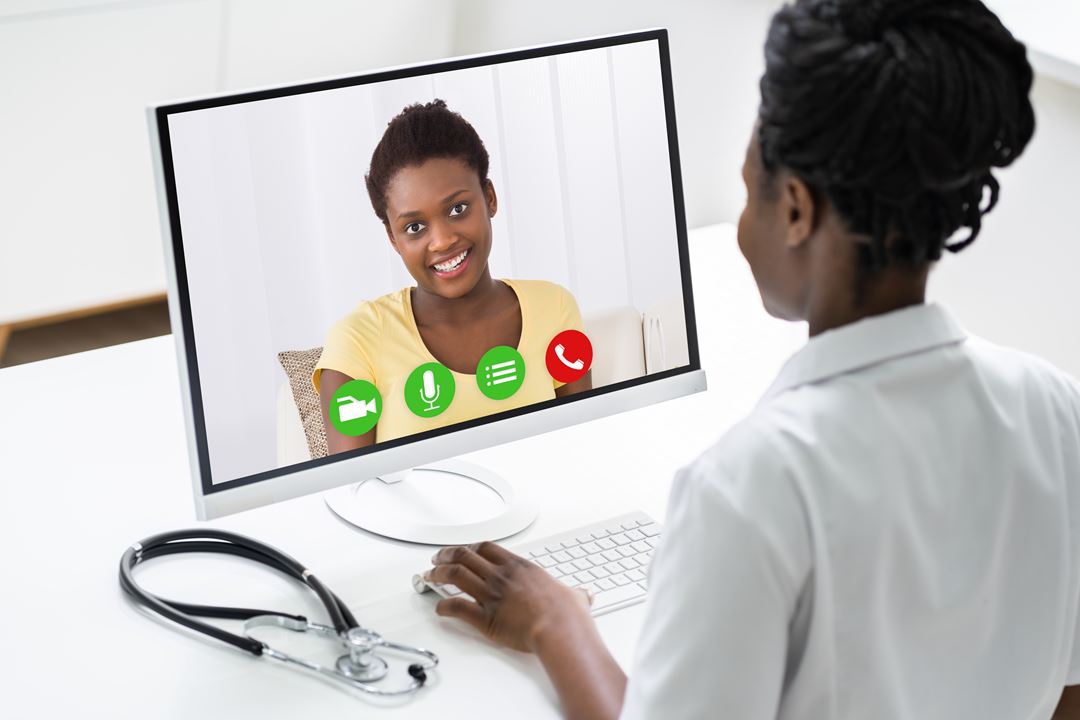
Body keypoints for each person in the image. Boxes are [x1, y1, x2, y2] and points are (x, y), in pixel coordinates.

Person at [423, 1, 1080, 718]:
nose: (740, 222)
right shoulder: (1054, 408)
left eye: (747, 191)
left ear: (796, 209)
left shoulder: (751, 488)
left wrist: (556, 622)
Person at [314, 100, 592, 452]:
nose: (443, 240)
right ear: (393, 239)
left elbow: (583, 449)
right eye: (415, 227)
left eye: (457, 209)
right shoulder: (356, 341)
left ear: (489, 198)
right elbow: (352, 493)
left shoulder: (554, 307)